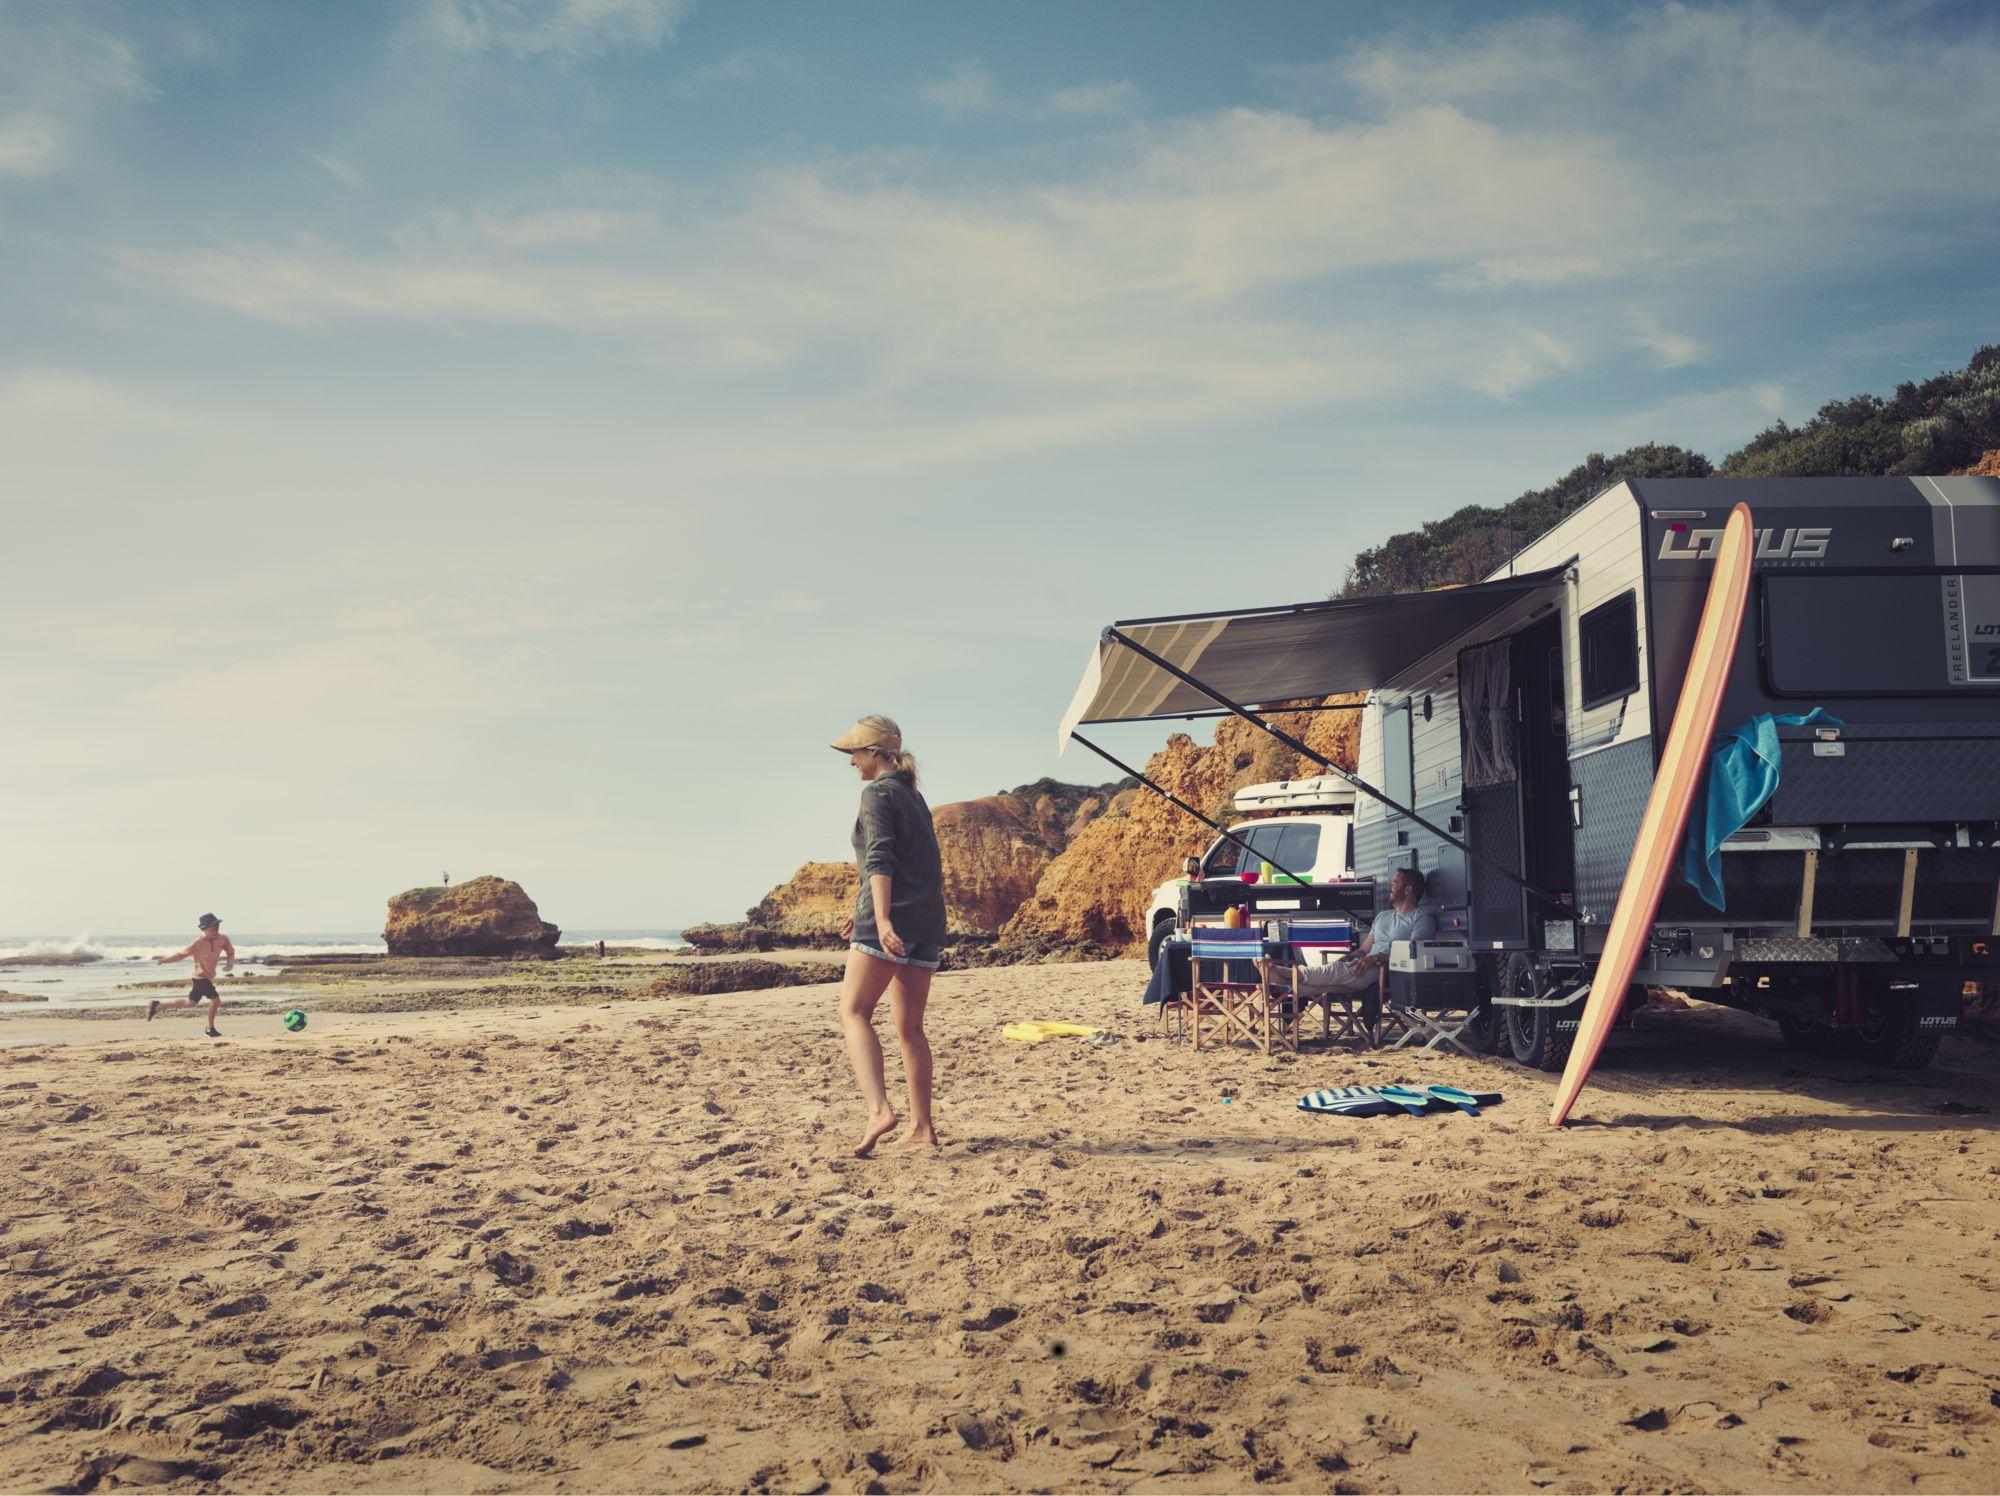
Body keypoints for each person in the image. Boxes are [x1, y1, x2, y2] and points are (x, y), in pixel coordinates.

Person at [829, 715, 948, 1157]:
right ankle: (922, 1126)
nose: (852, 762)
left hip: (892, 922)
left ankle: (879, 1109)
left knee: (853, 1012)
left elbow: (880, 858)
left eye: (856, 753)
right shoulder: (914, 798)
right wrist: (860, 911)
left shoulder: (876, 792)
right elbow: (916, 867)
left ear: (876, 754)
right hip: (925, 924)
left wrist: (878, 919)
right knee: (910, 1029)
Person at [1306, 867, 1435, 1004]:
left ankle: (1290, 975)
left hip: (1388, 971)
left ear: (1408, 890)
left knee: (1334, 972)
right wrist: (1348, 957)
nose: (1389, 888)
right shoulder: (1382, 916)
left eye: (1394, 883)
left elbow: (1413, 954)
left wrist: (1376, 959)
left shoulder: (1422, 918)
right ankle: (1288, 981)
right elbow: (1363, 950)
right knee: (1326, 983)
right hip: (1365, 967)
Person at [149, 913, 236, 1037]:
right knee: (216, 1000)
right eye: (212, 929)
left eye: (217, 927)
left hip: (206, 977)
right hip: (200, 977)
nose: (215, 930)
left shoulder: (223, 939)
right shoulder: (198, 942)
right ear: (203, 929)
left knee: (191, 1003)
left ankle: (158, 1006)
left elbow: (230, 952)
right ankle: (210, 1029)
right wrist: (165, 960)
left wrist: (230, 964)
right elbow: (181, 955)